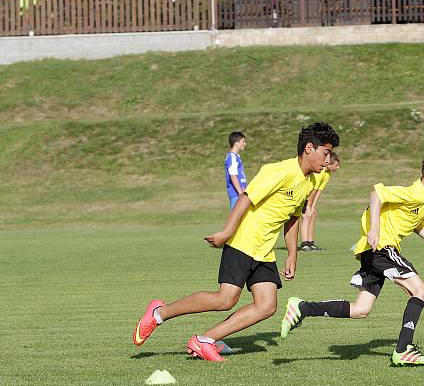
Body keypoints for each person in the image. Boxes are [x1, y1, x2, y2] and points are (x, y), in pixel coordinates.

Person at [132, 123, 341, 362]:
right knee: (225, 299)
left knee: (266, 305)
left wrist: (293, 254)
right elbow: (245, 198)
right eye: (325, 153)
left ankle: (205, 340)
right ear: (309, 148)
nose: (327, 161)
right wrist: (226, 231)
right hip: (244, 240)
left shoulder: (312, 181)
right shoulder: (279, 171)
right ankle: (159, 313)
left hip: (264, 249)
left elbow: (292, 218)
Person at [280, 148, 424, 366]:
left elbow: (420, 227)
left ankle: (301, 308)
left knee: (361, 310)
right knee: (420, 291)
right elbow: (377, 193)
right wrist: (374, 229)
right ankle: (404, 349)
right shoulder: (414, 193)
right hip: (381, 248)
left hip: (373, 252)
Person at [300, 150, 340, 251]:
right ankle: (305, 244)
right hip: (304, 195)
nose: (337, 167)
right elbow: (313, 189)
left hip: (310, 196)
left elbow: (319, 190)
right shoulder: (320, 171)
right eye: (336, 165)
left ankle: (310, 243)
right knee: (306, 216)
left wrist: (313, 206)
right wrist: (309, 206)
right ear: (329, 163)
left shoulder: (327, 174)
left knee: (313, 214)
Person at [225, 131, 248, 210]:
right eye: (243, 141)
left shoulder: (236, 156)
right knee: (236, 220)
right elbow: (233, 175)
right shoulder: (232, 157)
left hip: (240, 194)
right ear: (236, 143)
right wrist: (240, 192)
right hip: (236, 195)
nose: (245, 144)